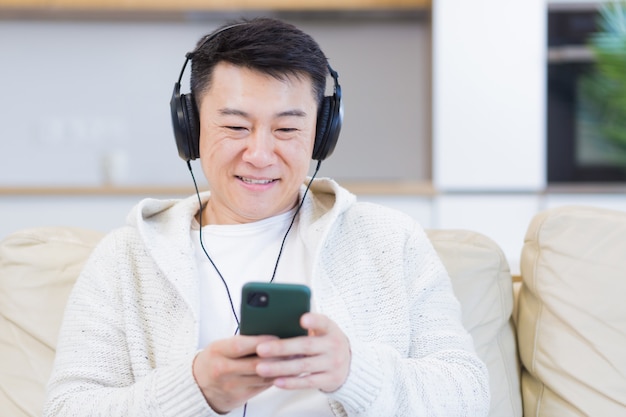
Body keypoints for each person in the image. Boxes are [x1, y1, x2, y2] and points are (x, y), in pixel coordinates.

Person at [43, 17, 490, 417]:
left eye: (287, 129)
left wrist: (354, 372)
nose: (259, 155)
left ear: (321, 135)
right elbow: (68, 409)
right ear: (191, 128)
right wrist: (195, 391)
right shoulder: (127, 257)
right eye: (235, 127)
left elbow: (468, 395)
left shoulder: (391, 240)